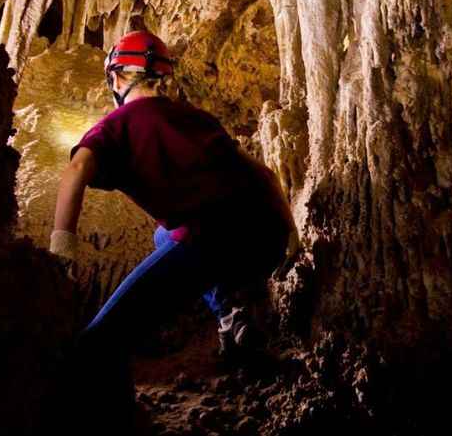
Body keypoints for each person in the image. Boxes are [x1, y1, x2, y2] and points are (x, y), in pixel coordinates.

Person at [47, 29, 299, 429]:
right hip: (262, 239)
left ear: (116, 78)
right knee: (163, 235)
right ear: (160, 77)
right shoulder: (197, 118)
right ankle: (233, 319)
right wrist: (292, 240)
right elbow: (266, 177)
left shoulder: (117, 123)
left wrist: (61, 247)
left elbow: (77, 169)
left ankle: (117, 421)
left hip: (208, 240)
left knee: (98, 343)